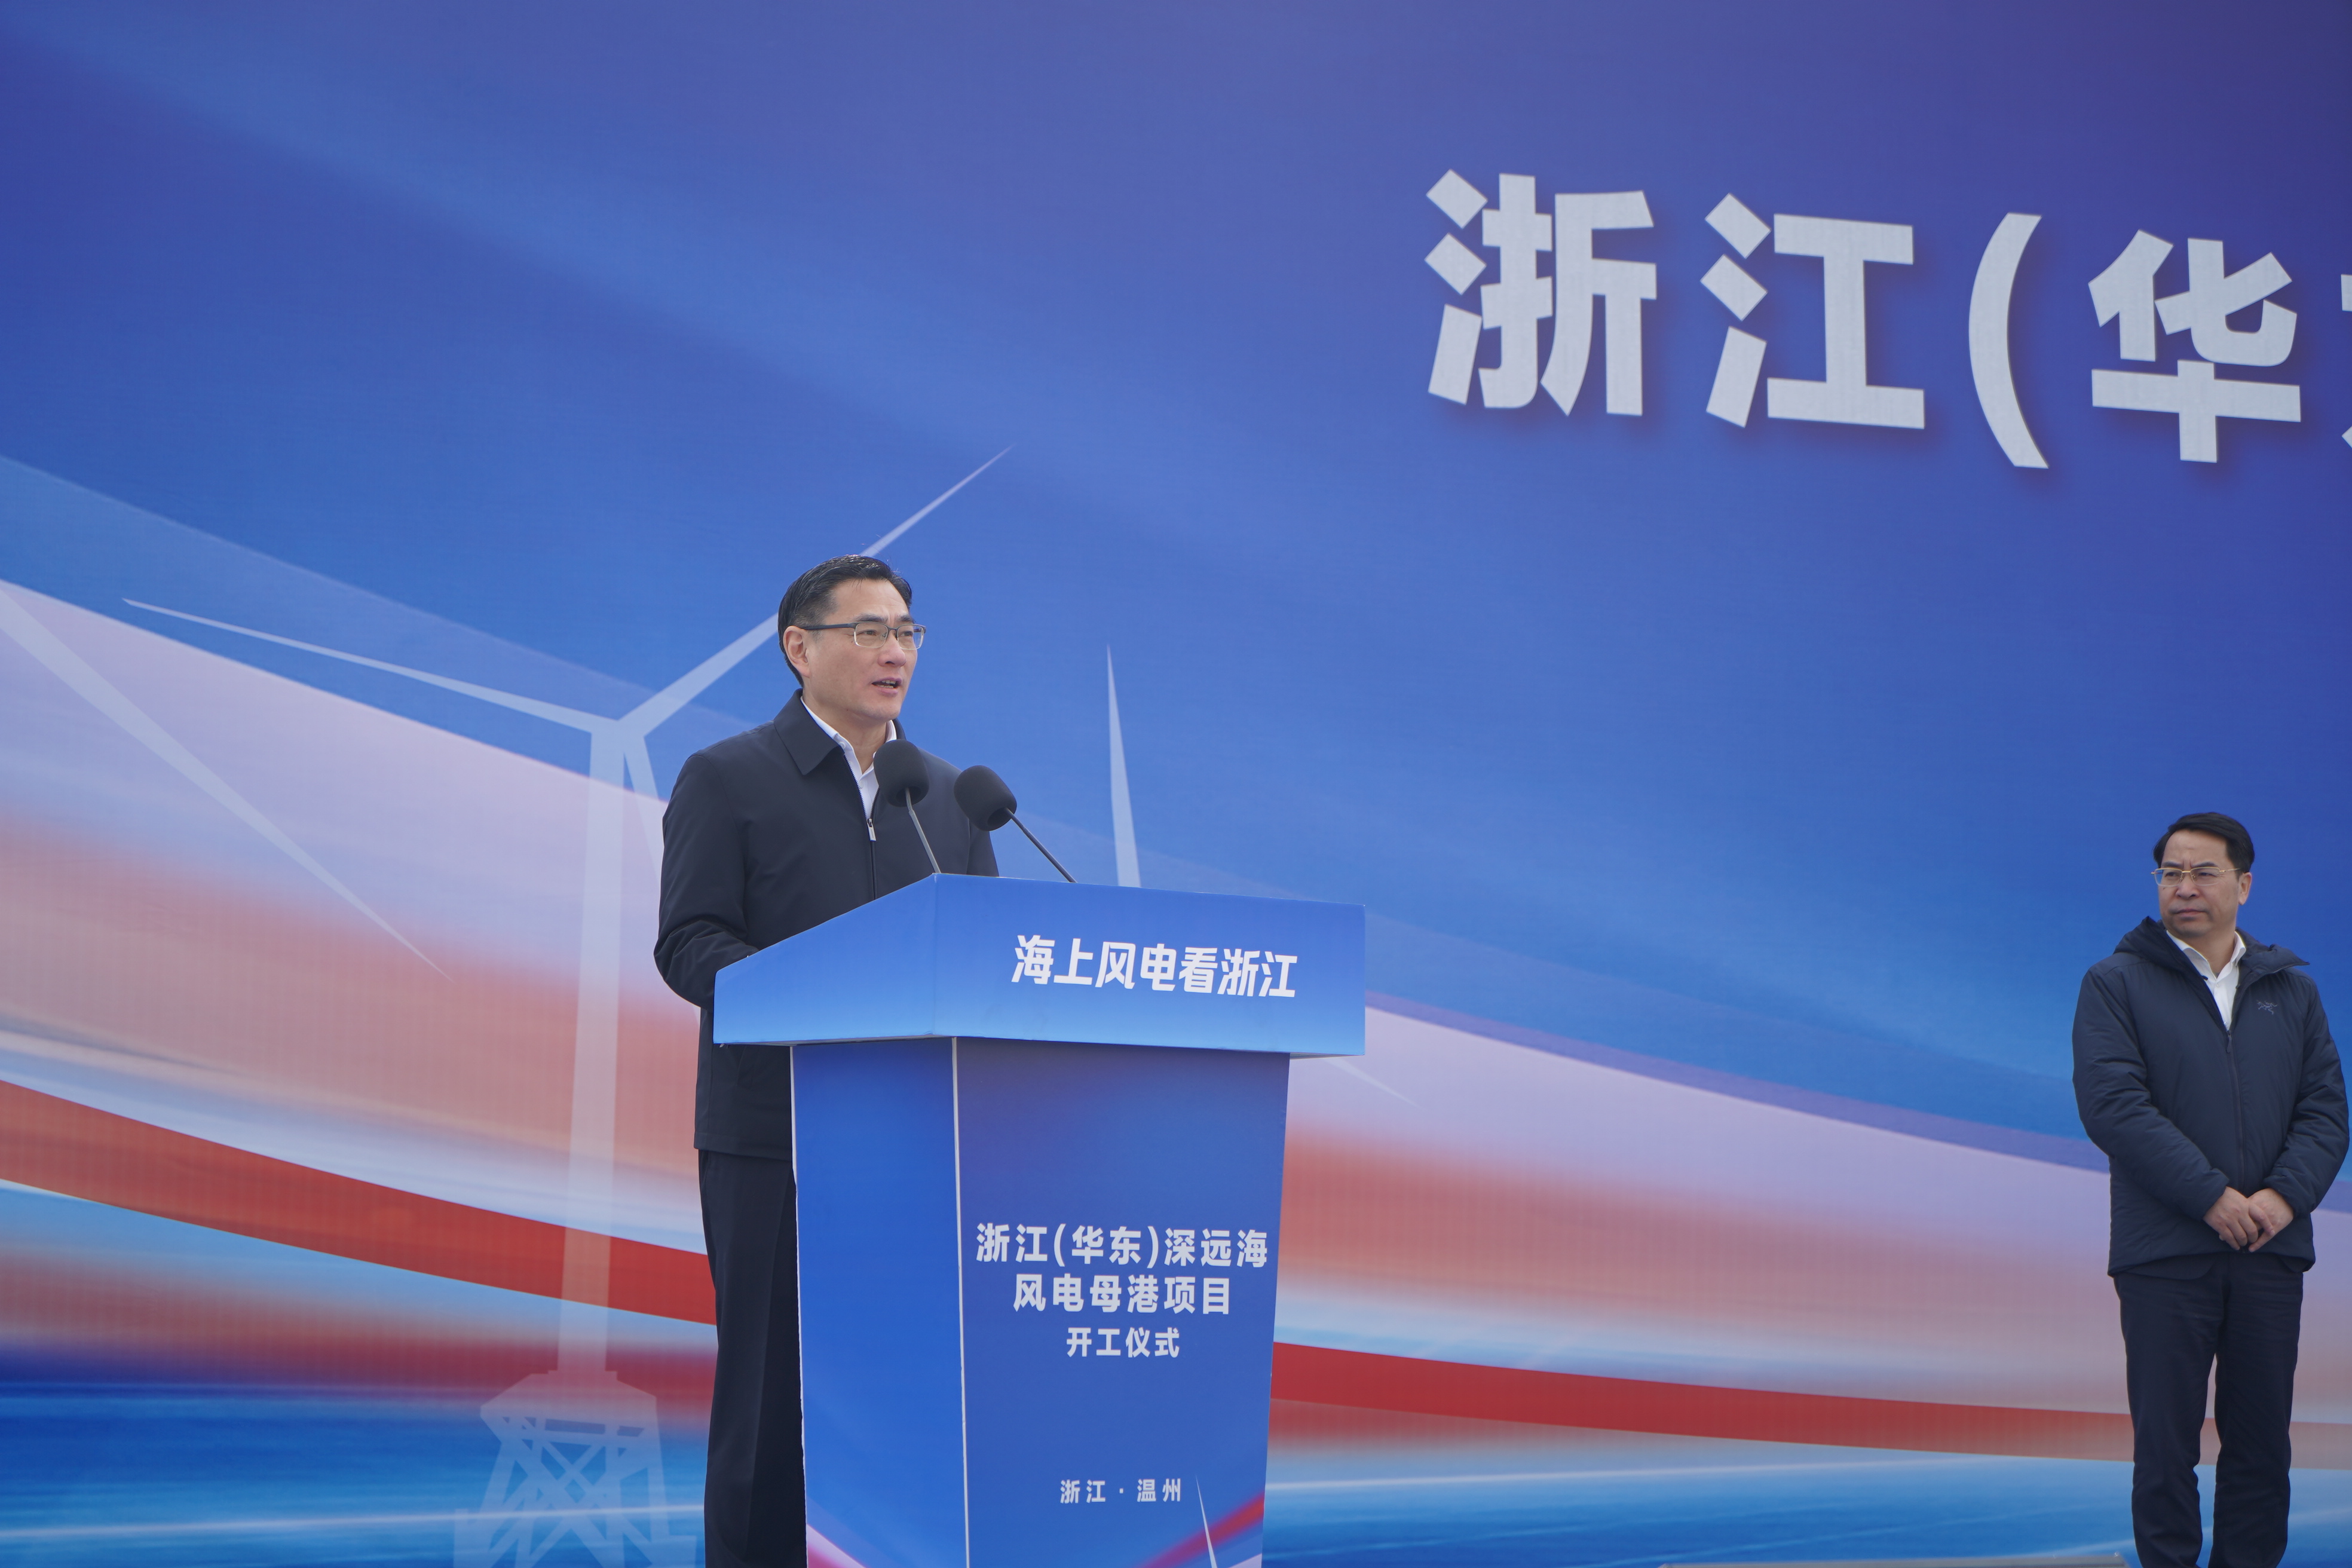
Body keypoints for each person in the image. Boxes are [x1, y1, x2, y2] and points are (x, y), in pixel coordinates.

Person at [654, 555, 996, 1568]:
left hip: (920, 1144)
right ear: (799, 648)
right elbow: (689, 942)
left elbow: (984, 959)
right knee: (769, 1401)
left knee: (907, 1394)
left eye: (907, 632)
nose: (895, 652)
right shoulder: (729, 777)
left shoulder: (949, 797)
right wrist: (809, 992)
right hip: (777, 1139)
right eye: (868, 631)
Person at [2072, 811, 2345, 1568]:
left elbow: (2325, 1111)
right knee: (2166, 1447)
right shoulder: (2115, 982)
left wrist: (2280, 1199)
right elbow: (2114, 1106)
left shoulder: (2291, 990)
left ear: (2244, 884)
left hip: (2269, 1248)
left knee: (2262, 1445)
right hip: (2166, 1252)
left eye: (2203, 872)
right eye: (2170, 873)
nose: (2184, 887)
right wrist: (2212, 1197)